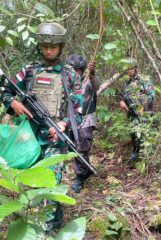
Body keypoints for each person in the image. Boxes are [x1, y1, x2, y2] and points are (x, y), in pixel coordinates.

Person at [0, 21, 83, 230]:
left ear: (61, 47)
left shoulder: (71, 75)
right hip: (29, 138)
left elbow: (78, 110)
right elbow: (5, 90)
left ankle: (44, 229)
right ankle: (53, 223)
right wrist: (14, 103)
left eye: (53, 47)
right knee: (37, 182)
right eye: (45, 46)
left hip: (55, 139)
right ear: (39, 46)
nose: (48, 50)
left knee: (49, 179)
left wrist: (63, 125)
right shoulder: (29, 71)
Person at [65, 54, 100, 193]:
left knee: (82, 148)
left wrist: (92, 74)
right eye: (72, 69)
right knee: (72, 147)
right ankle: (87, 169)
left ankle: (80, 177)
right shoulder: (66, 81)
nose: (75, 73)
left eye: (78, 70)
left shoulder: (87, 82)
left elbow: (96, 86)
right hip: (71, 120)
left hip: (85, 119)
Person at [118, 58, 155, 162]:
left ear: (135, 68)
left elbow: (151, 96)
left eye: (130, 68)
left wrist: (143, 107)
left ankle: (146, 158)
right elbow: (121, 96)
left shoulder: (144, 80)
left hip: (144, 113)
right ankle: (135, 155)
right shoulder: (127, 83)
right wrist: (121, 102)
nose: (129, 71)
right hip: (132, 114)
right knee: (134, 135)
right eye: (127, 69)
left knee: (145, 136)